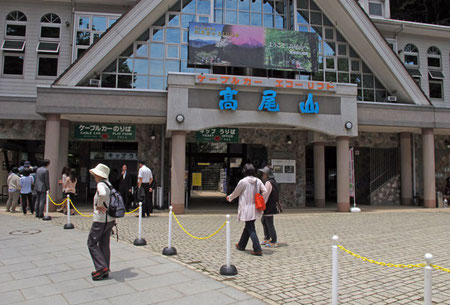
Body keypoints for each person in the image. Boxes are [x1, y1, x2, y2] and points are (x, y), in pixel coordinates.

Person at [226, 163, 267, 256]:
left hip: (246, 208)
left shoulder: (243, 182)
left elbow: (236, 192)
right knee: (248, 226)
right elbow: (265, 191)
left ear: (244, 171)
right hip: (255, 208)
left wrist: (229, 197)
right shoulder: (258, 181)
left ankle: (257, 249)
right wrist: (259, 197)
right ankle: (241, 245)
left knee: (250, 228)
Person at [87, 163, 116, 281]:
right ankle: (105, 268)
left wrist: (99, 204)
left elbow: (102, 194)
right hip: (110, 219)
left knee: (91, 242)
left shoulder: (101, 185)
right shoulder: (109, 184)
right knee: (104, 243)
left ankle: (101, 267)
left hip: (100, 219)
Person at [258, 166, 279, 247]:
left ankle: (273, 240)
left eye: (264, 173)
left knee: (269, 223)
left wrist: (261, 205)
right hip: (271, 205)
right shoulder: (274, 182)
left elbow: (265, 195)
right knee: (264, 221)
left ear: (267, 174)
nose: (262, 175)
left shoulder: (268, 183)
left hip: (268, 206)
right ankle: (266, 238)